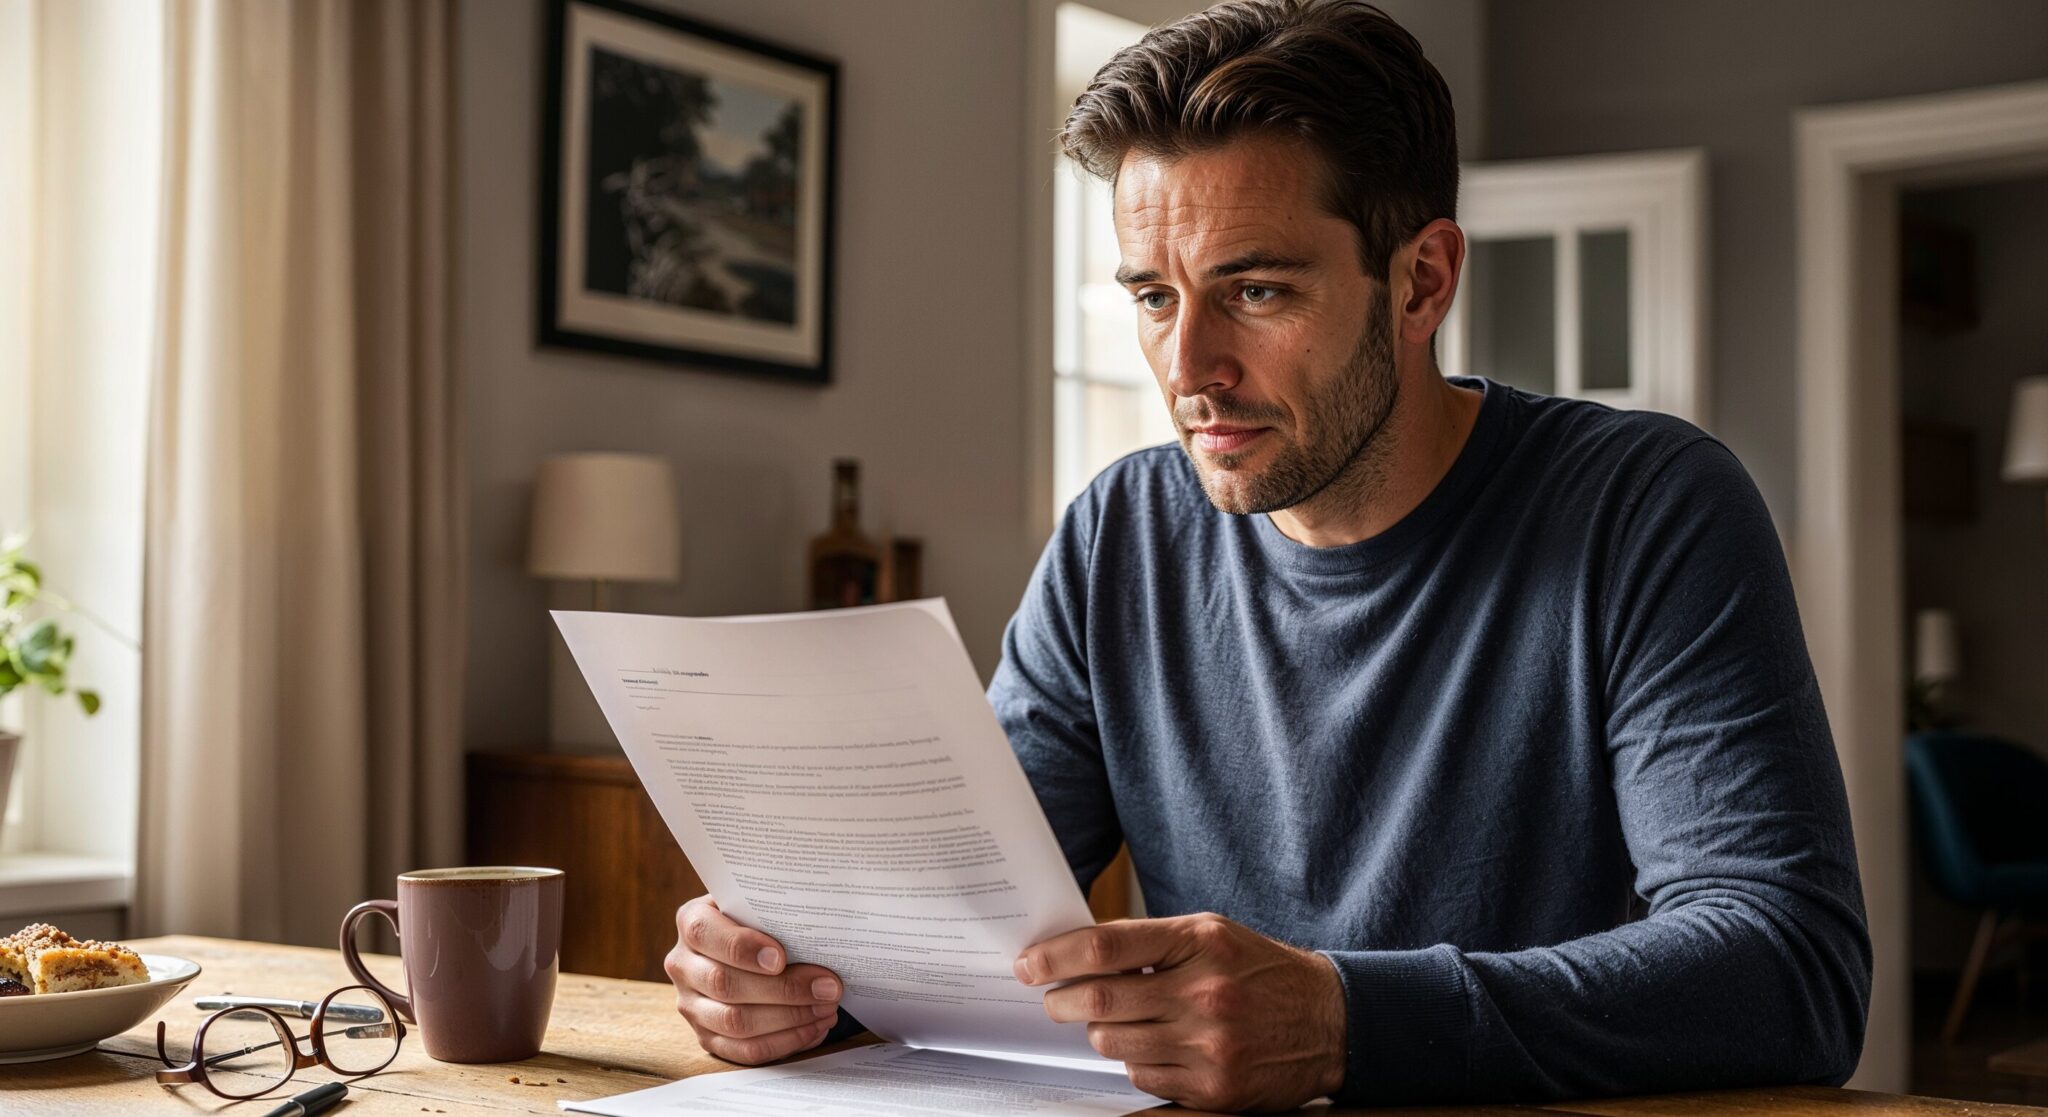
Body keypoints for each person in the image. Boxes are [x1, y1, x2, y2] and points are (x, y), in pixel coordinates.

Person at [661, 0, 1873, 1109]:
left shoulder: (1644, 506)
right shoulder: (1116, 534)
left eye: (1252, 290)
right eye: (1150, 297)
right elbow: (962, 919)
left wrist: (1347, 1019)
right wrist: (789, 983)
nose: (1187, 369)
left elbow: (1786, 963)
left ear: (1421, 279)